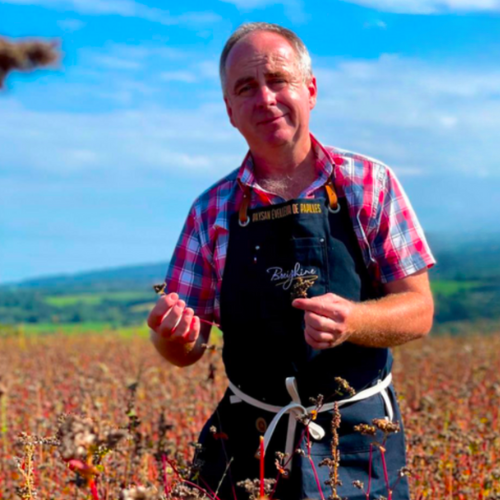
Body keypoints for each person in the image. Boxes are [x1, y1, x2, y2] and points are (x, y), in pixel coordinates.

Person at [147, 22, 435, 500]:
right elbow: (186, 349)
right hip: (247, 446)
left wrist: (355, 320)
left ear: (311, 90)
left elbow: (419, 310)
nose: (265, 98)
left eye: (278, 80)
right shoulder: (209, 211)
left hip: (358, 443)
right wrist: (170, 334)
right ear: (229, 111)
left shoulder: (370, 184)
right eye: (246, 88)